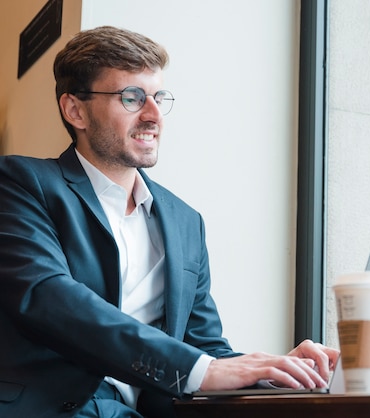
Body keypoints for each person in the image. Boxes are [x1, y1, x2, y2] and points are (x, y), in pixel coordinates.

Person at [0, 26, 339, 418]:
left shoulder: (185, 221)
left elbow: (204, 349)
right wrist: (202, 369)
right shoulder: (21, 184)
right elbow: (49, 298)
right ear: (75, 110)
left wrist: (274, 370)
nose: (153, 115)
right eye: (132, 98)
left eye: (159, 97)